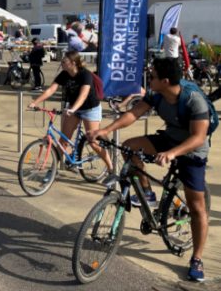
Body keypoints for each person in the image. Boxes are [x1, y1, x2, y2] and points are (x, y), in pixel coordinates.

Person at [88, 58, 210, 282]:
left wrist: (173, 154)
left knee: (197, 207)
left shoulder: (194, 100)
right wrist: (105, 130)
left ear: (165, 80)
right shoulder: (155, 95)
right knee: (130, 147)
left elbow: (199, 137)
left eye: (152, 76)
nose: (148, 78)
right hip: (170, 138)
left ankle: (197, 258)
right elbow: (133, 114)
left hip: (192, 149)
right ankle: (147, 193)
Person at [28, 51, 113, 174]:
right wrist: (35, 102)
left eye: (64, 62)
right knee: (63, 140)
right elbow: (51, 89)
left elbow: (83, 95)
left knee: (93, 142)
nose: (61, 63)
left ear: (73, 63)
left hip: (90, 109)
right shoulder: (64, 74)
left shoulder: (85, 74)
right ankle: (53, 170)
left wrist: (73, 109)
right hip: (73, 108)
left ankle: (110, 167)